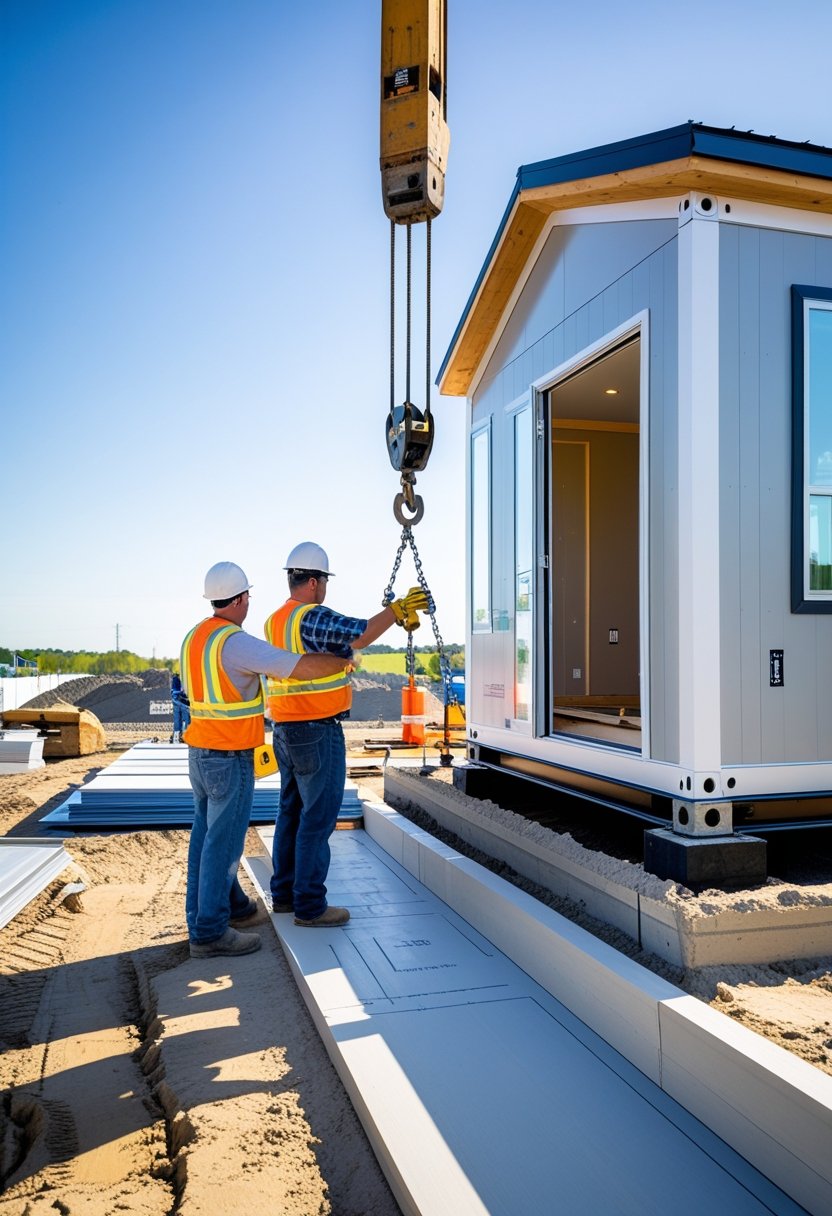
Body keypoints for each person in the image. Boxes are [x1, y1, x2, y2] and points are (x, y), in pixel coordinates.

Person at [181, 560, 350, 959]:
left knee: (205, 839)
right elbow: (297, 668)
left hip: (200, 754)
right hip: (228, 755)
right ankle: (208, 933)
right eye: (247, 598)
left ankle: (233, 908)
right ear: (240, 599)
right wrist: (342, 659)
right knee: (222, 848)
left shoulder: (195, 636)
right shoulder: (234, 641)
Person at [264, 541, 427, 927]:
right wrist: (397, 610)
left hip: (285, 728)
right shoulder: (311, 616)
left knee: (291, 813)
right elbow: (361, 634)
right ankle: (310, 906)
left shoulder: (275, 620)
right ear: (316, 582)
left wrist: (339, 664)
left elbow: (312, 661)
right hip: (316, 730)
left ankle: (285, 896)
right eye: (323, 581)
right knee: (318, 818)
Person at [170, 672, 190, 743]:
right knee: (186, 718)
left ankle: (177, 736)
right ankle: (185, 736)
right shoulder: (181, 679)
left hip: (176, 700)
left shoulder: (175, 680)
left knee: (177, 719)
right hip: (181, 701)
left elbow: (173, 692)